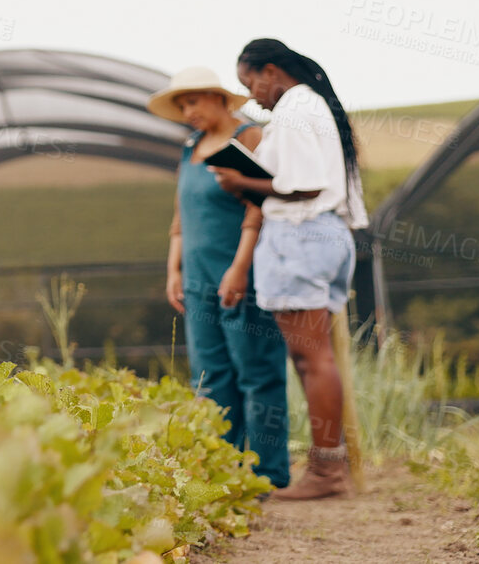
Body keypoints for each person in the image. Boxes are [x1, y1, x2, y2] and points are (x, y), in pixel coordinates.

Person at [214, 38, 367, 500]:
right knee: (317, 354)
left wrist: (241, 181)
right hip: (323, 234)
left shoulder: (295, 109)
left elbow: (301, 186)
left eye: (251, 82)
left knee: (310, 356)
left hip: (300, 235)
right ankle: (330, 464)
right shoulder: (313, 106)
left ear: (272, 70)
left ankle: (326, 472)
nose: (254, 96)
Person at [149, 67, 290, 492]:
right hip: (196, 278)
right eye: (181, 105)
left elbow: (259, 206)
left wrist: (239, 267)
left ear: (217, 98)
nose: (187, 112)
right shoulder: (190, 147)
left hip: (241, 277)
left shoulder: (249, 136)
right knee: (209, 377)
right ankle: (224, 472)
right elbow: (180, 216)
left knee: (257, 372)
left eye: (193, 102)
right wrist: (174, 269)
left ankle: (269, 475)